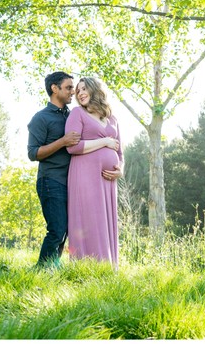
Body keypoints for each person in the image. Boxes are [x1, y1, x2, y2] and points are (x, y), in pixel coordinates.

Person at [65, 76, 124, 268]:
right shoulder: (77, 114)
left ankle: (108, 267)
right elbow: (72, 148)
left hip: (108, 181)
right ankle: (86, 266)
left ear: (95, 90)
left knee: (105, 220)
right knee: (90, 217)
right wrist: (104, 142)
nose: (79, 93)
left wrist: (120, 170)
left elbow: (120, 152)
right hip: (85, 175)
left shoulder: (112, 119)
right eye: (77, 91)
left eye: (84, 89)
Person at [27, 71, 81, 268]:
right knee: (57, 229)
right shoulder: (40, 118)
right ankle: (41, 270)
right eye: (68, 87)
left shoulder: (73, 116)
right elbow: (33, 153)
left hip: (71, 182)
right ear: (54, 88)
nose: (73, 92)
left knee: (66, 229)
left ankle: (52, 268)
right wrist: (63, 141)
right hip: (50, 181)